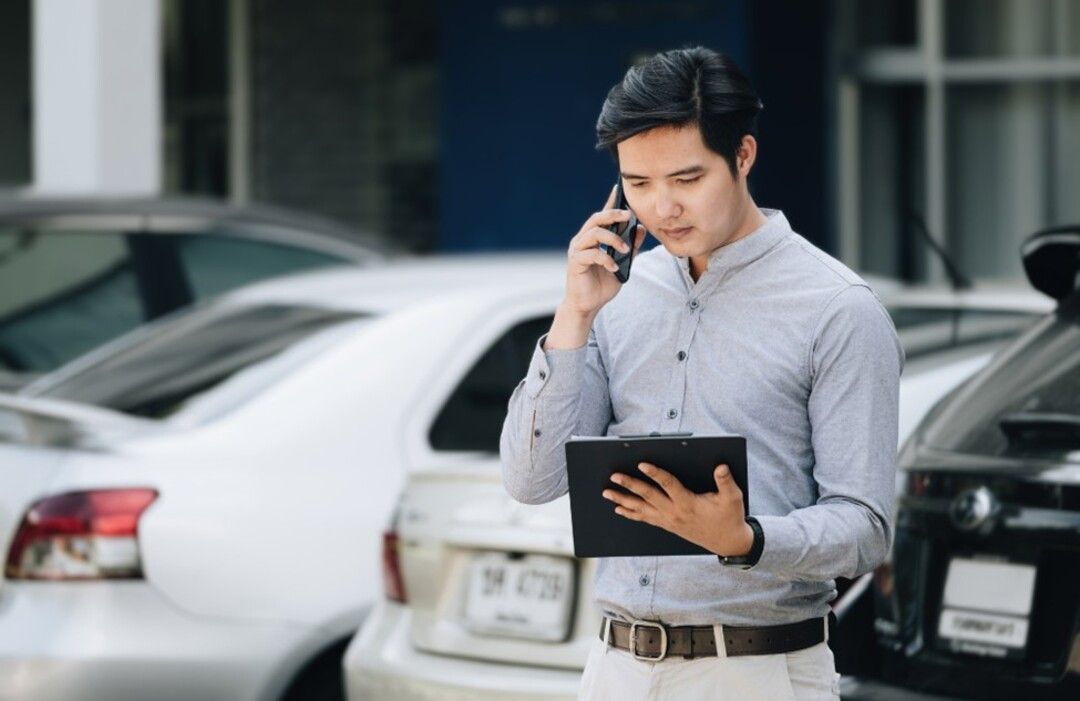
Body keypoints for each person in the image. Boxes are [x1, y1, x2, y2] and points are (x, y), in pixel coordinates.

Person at [499, 47, 903, 700]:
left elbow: (864, 528)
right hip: (615, 667)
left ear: (743, 156)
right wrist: (572, 314)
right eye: (638, 183)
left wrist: (746, 538)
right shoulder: (615, 292)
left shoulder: (837, 309)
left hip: (756, 671)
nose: (662, 208)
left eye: (686, 179)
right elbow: (530, 478)